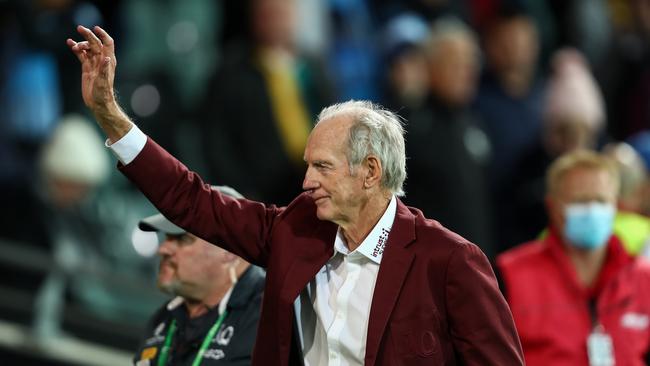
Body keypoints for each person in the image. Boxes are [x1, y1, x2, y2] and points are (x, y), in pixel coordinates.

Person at [67, 25, 524, 365]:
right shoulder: (296, 228)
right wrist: (111, 118)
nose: (306, 181)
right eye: (308, 165)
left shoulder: (448, 261)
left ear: (370, 172)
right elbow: (193, 200)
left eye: (322, 166)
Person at [496, 150, 650, 365]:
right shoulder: (509, 275)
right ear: (552, 206)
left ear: (615, 206)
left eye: (600, 200)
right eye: (580, 201)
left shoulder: (643, 278)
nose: (592, 210)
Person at [134, 185, 265, 366]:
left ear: (231, 250)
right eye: (166, 237)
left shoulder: (272, 316)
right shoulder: (164, 319)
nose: (162, 249)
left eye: (183, 239)